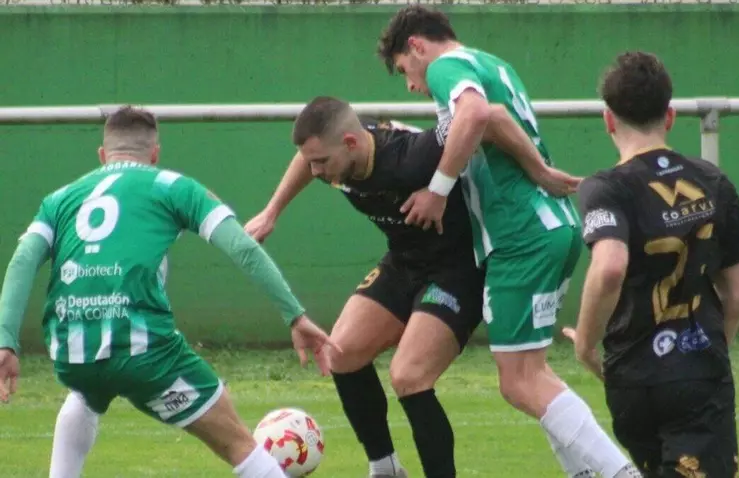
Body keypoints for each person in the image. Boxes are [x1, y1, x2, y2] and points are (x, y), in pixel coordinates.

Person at [244, 95, 577, 478]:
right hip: (404, 261)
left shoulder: (412, 155)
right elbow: (307, 157)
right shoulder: (337, 151)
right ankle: (385, 469)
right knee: (342, 352)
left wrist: (538, 171)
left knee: (409, 376)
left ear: (350, 143)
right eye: (312, 161)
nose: (316, 170)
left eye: (322, 162)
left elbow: (488, 116)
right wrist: (272, 212)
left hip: (457, 271)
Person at [0, 105, 338, 478]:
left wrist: (5, 341)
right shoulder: (174, 186)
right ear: (155, 154)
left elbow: (22, 261)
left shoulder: (59, 198)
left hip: (71, 351)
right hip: (144, 351)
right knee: (236, 440)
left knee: (86, 392)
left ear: (102, 155)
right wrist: (294, 314)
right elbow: (242, 247)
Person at [376, 6, 641, 478]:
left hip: (521, 236)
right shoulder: (492, 63)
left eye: (403, 70)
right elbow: (494, 116)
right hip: (549, 226)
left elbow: (478, 113)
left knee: (518, 382)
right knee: (531, 374)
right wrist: (539, 170)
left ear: (416, 46)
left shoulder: (443, 66)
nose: (412, 85)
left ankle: (623, 473)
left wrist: (437, 190)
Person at [562, 51, 739, 477]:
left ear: (609, 121)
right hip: (698, 374)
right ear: (670, 116)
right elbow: (736, 295)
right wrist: (711, 356)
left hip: (632, 380)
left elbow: (609, 268)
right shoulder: (713, 182)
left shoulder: (604, 188)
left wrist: (585, 345)